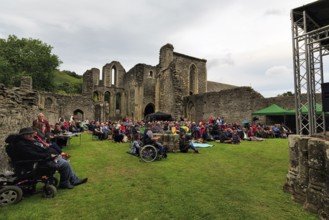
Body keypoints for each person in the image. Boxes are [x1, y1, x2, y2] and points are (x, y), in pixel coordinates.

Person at [10, 127, 88, 189]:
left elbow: (40, 151)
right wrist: (49, 156)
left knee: (63, 160)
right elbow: (34, 155)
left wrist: (52, 154)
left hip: (40, 160)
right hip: (37, 163)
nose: (32, 135)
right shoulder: (23, 145)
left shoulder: (26, 142)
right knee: (65, 163)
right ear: (24, 135)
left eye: (32, 134)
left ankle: (74, 179)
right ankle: (64, 183)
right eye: (30, 134)